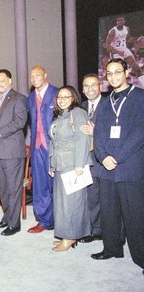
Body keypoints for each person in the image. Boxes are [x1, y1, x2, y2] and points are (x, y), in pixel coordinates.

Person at [91, 58, 144, 275]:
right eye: (109, 73)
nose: (113, 77)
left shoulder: (140, 97)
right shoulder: (105, 101)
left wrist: (117, 156)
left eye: (117, 72)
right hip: (106, 166)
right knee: (109, 211)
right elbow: (99, 132)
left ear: (127, 71)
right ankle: (112, 248)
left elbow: (140, 133)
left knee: (135, 215)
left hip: (129, 165)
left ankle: (141, 257)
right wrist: (103, 156)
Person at [0, 70, 27, 236]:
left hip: (12, 151)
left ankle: (14, 225)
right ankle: (7, 218)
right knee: (3, 187)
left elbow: (19, 122)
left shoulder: (19, 99)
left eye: (2, 80)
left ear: (10, 80)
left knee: (13, 189)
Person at [48, 86, 92, 251]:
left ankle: (71, 237)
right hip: (60, 164)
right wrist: (51, 164)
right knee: (62, 204)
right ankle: (66, 234)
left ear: (74, 98)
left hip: (73, 165)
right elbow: (53, 142)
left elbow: (83, 139)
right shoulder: (60, 116)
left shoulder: (78, 113)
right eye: (59, 97)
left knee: (73, 203)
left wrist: (79, 165)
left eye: (66, 97)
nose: (62, 99)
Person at [27, 66, 58, 233]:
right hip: (37, 146)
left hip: (54, 146)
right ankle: (44, 220)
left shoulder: (57, 93)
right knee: (39, 185)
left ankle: (60, 219)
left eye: (38, 75)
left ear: (45, 75)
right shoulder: (30, 97)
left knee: (56, 185)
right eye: (32, 76)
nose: (35, 78)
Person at [79, 74, 106, 243]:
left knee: (108, 198)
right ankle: (94, 229)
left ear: (100, 86)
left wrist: (95, 132)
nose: (90, 89)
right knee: (91, 196)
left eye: (93, 85)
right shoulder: (81, 108)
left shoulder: (109, 105)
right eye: (86, 86)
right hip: (85, 160)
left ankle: (107, 231)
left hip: (105, 160)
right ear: (82, 90)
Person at [105, 16, 144, 88]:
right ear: (116, 22)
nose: (119, 22)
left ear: (124, 21)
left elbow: (128, 38)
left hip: (124, 49)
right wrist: (118, 51)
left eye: (121, 20)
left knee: (136, 67)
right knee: (120, 72)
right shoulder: (113, 31)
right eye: (118, 21)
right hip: (115, 53)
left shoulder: (127, 29)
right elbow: (107, 45)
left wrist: (137, 40)